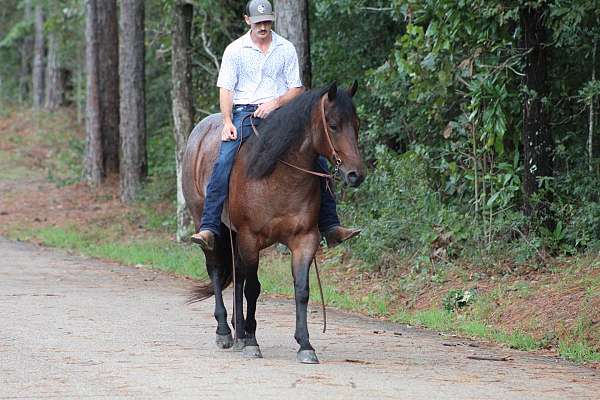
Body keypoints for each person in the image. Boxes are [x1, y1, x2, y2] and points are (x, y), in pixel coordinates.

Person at [191, 0, 360, 251]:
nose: (263, 26)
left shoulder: (285, 48)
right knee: (225, 159)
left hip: (281, 114)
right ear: (247, 20)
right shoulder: (235, 50)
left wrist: (274, 103)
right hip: (245, 113)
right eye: (258, 22)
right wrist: (227, 121)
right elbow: (226, 90)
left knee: (318, 160)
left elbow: (297, 88)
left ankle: (331, 226)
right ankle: (210, 227)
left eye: (267, 21)